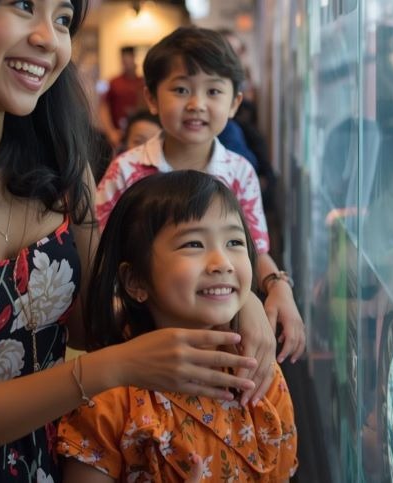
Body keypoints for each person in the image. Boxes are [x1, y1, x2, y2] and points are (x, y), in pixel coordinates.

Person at [0, 3, 277, 481]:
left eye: (63, 19)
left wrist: (236, 300)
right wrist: (106, 370)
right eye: (24, 6)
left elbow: (101, 319)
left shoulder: (61, 171)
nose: (48, 38)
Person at [58, 171, 298, 482]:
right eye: (194, 244)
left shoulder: (260, 376)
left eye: (235, 241)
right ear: (135, 281)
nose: (222, 262)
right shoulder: (107, 399)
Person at [96, 26, 306, 364]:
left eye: (213, 91)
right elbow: (99, 247)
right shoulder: (126, 170)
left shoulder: (239, 172)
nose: (196, 104)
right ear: (151, 98)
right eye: (181, 89)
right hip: (141, 331)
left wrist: (278, 286)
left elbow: (256, 249)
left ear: (235, 102)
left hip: (223, 327)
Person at [98, 46, 146, 150]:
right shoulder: (114, 82)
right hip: (117, 136)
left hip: (138, 136)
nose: (126, 63)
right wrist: (110, 132)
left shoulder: (142, 83)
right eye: (123, 60)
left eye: (128, 59)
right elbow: (104, 108)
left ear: (134, 59)